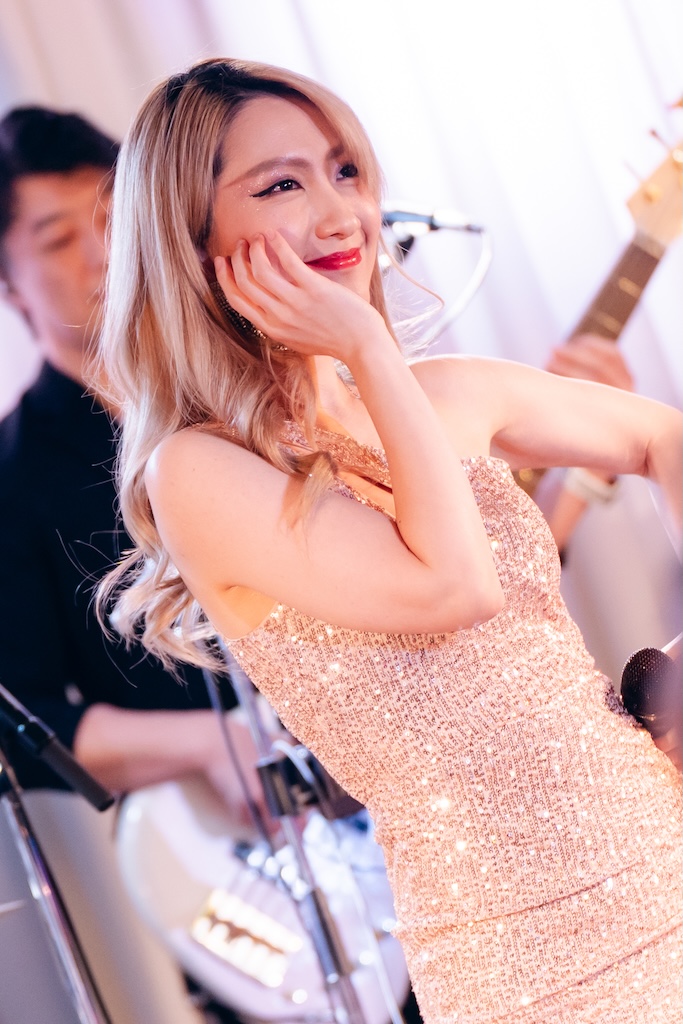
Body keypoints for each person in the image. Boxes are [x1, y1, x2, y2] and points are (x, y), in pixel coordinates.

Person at [96, 58, 682, 1024]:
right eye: (282, 186)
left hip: (659, 851)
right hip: (525, 965)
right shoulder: (197, 471)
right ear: (192, 237)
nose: (341, 216)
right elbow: (455, 588)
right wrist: (367, 346)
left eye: (346, 172)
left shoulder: (449, 394)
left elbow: (662, 436)